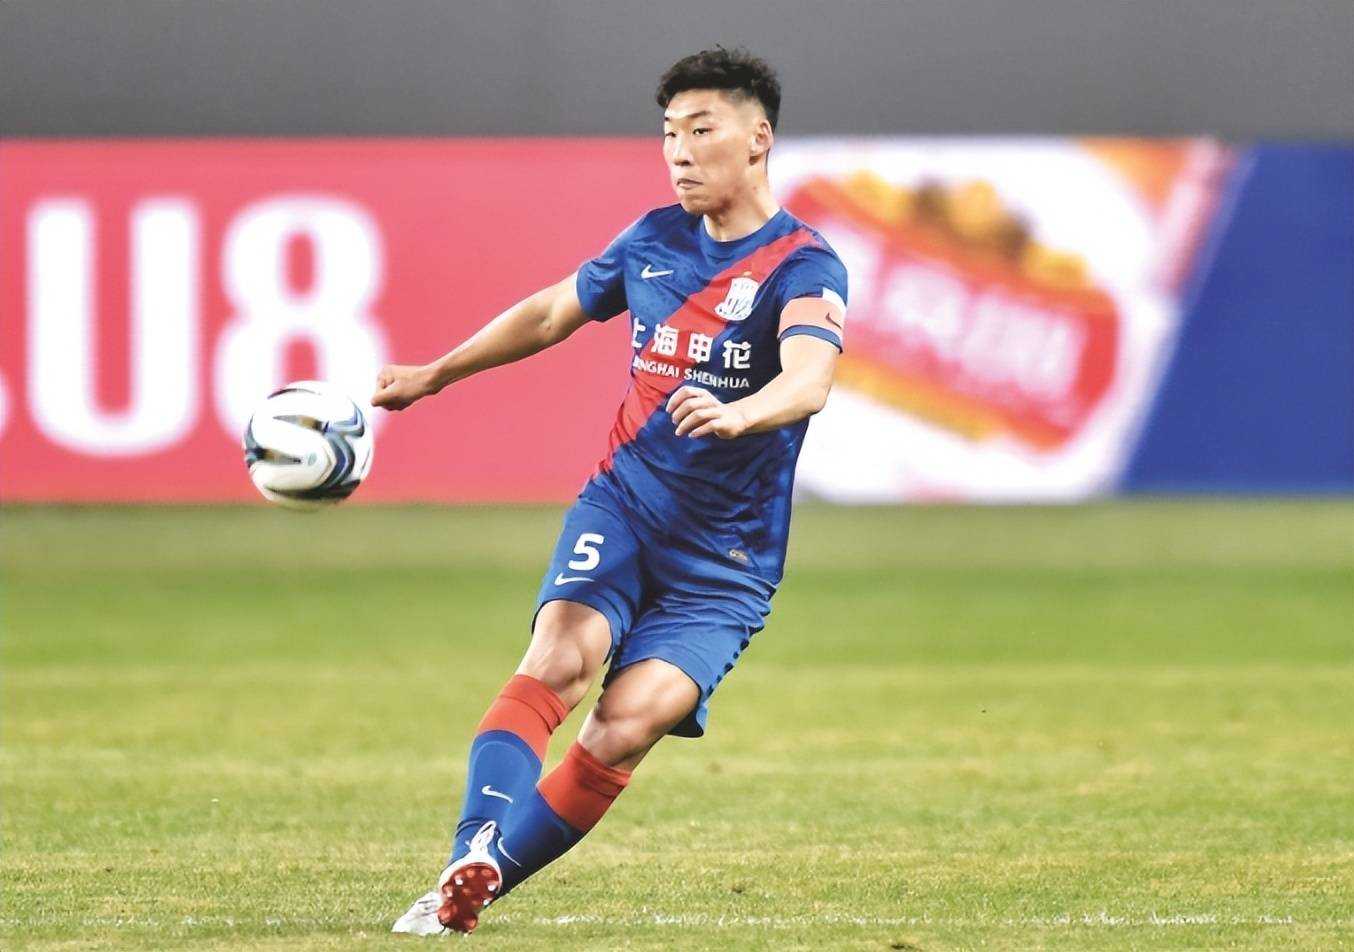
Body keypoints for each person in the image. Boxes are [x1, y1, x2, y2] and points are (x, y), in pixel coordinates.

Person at [382, 47, 848, 935]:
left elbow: (809, 378)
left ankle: (476, 886)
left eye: (700, 130)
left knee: (627, 724)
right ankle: (469, 851)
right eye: (668, 134)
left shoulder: (804, 265)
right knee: (560, 658)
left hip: (727, 565)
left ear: (758, 138)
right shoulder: (652, 241)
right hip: (625, 509)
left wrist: (741, 413)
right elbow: (549, 313)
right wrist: (435, 374)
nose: (678, 152)